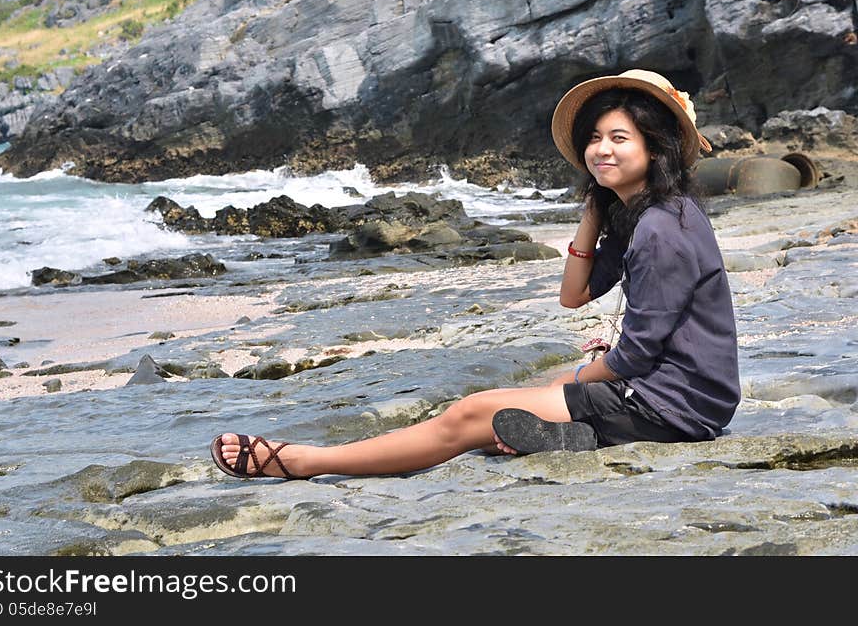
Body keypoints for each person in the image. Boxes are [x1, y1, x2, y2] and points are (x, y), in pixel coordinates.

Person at [209, 69, 741, 481]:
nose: (602, 149)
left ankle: (303, 462)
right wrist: (595, 209)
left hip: (669, 407)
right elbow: (573, 295)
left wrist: (574, 378)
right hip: (678, 398)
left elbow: (637, 356)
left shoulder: (659, 228)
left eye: (620, 138)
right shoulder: (647, 216)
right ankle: (571, 433)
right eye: (595, 137)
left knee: (471, 413)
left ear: (655, 144)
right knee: (504, 415)